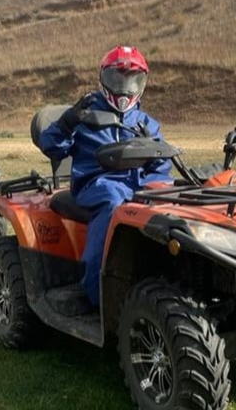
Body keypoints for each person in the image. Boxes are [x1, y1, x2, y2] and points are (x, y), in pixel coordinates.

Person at [38, 45, 173, 307]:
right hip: (96, 185)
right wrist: (68, 121)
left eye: (132, 80)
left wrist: (158, 186)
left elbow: (161, 167)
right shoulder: (86, 114)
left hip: (139, 189)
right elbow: (50, 145)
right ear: (103, 79)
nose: (124, 88)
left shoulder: (146, 124)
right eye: (117, 79)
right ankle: (99, 293)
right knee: (114, 203)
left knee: (168, 202)